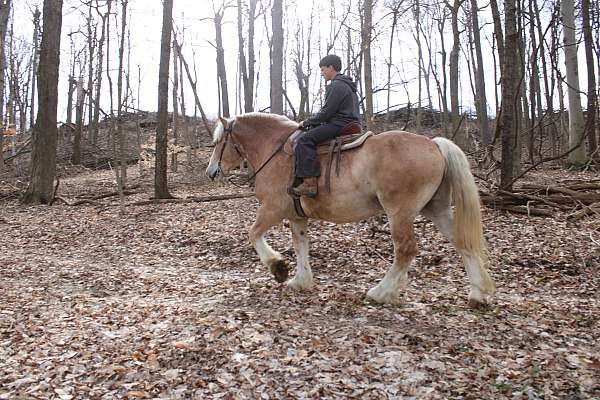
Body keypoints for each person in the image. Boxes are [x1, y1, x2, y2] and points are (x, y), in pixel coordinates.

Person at [291, 54, 361, 198]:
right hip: (351, 122)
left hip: (339, 124)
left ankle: (309, 183)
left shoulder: (336, 85)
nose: (322, 73)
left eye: (323, 70)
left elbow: (326, 114)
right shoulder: (349, 85)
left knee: (304, 140)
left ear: (331, 67)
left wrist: (306, 123)